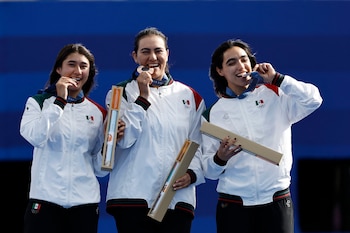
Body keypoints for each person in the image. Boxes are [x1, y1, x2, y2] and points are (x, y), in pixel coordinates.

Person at [201, 39, 323, 233]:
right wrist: (220, 159)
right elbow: (209, 171)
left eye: (244, 60)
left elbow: (313, 100)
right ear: (220, 71)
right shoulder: (211, 115)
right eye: (231, 62)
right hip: (233, 204)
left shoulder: (275, 94)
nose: (240, 66)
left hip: (277, 199)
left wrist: (278, 79)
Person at [104, 27, 206, 233]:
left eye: (158, 51)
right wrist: (142, 97)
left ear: (167, 54)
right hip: (132, 198)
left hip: (176, 200)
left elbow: (199, 144)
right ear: (135, 56)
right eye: (145, 51)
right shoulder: (118, 94)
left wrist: (193, 174)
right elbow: (123, 141)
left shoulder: (191, 97)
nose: (152, 57)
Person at [19, 43, 120, 233]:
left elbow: (99, 169)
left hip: (85, 204)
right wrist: (59, 101)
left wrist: (111, 143)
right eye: (71, 64)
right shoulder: (38, 102)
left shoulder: (97, 112)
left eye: (83, 66)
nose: (77, 71)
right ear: (59, 69)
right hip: (46, 201)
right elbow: (35, 137)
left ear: (89, 72)